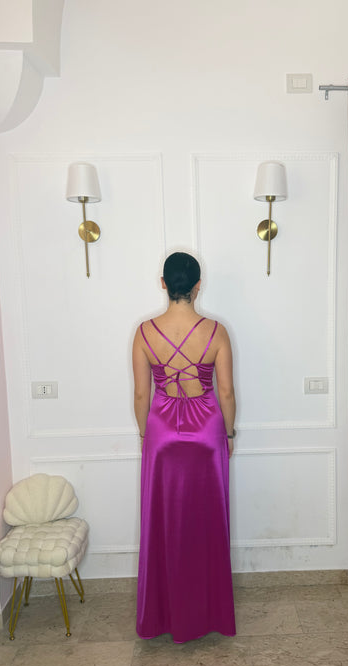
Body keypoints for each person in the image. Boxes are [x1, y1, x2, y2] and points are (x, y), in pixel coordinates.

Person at [132, 252, 237, 643]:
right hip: (207, 431)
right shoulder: (216, 332)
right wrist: (229, 434)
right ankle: (207, 614)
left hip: (161, 431)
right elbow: (225, 391)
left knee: (162, 521)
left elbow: (141, 395)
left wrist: (145, 435)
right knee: (207, 522)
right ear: (198, 285)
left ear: (163, 283)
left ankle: (162, 617)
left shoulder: (144, 333)